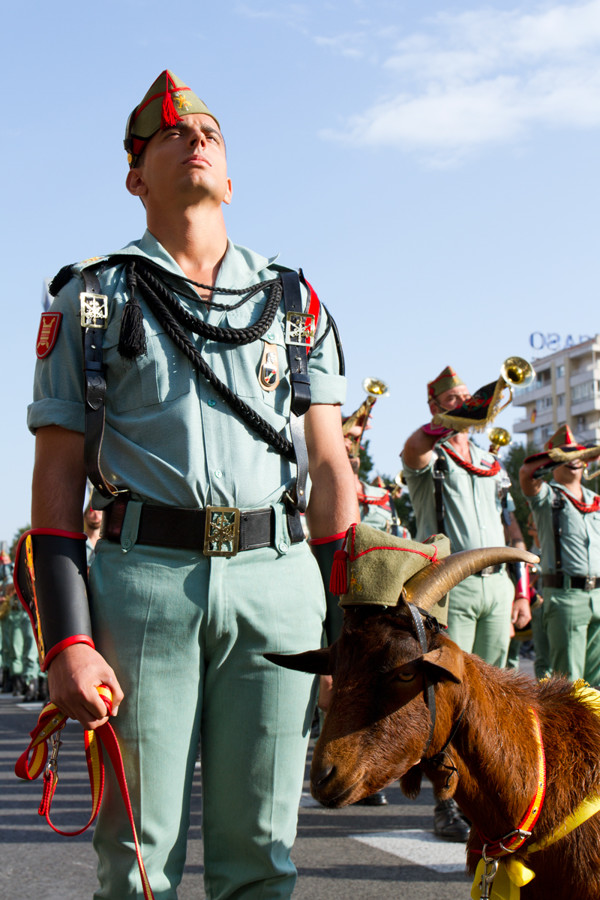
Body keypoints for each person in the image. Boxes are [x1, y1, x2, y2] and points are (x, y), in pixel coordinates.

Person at [22, 70, 358, 900]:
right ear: (136, 177)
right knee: (139, 863)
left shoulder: (294, 301)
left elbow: (328, 471)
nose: (195, 139)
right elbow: (58, 480)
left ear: (232, 180)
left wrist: (346, 626)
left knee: (262, 860)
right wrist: (67, 639)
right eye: (170, 134)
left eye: (209, 133)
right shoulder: (93, 294)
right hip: (142, 587)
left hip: (278, 587)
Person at [401, 365, 530, 842]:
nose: (463, 403)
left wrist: (520, 591)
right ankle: (444, 803)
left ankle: (486, 794)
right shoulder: (430, 456)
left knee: (492, 696)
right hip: (450, 584)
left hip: (497, 585)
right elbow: (411, 449)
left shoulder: (491, 460)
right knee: (447, 695)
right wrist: (448, 425)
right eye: (452, 399)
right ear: (435, 407)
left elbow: (507, 528)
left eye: (467, 397)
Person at [520, 424, 600, 685]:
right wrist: (560, 454)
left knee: (598, 682)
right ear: (554, 463)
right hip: (566, 597)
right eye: (566, 456)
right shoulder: (547, 496)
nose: (574, 460)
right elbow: (526, 474)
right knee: (570, 683)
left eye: (577, 455)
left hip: (598, 595)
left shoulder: (595, 500)